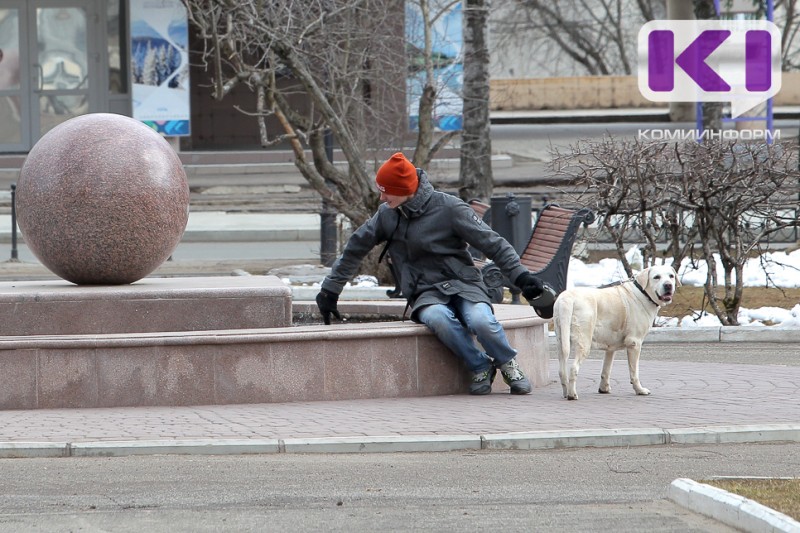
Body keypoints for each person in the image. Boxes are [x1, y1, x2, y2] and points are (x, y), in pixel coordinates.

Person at [315, 152, 545, 395]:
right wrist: (331, 288)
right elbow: (355, 248)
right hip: (425, 290)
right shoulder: (388, 214)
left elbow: (494, 244)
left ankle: (507, 363)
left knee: (480, 320)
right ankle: (480, 366)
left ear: (405, 189)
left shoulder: (450, 208)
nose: (381, 197)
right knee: (438, 318)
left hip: (463, 282)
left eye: (387, 191)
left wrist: (521, 276)